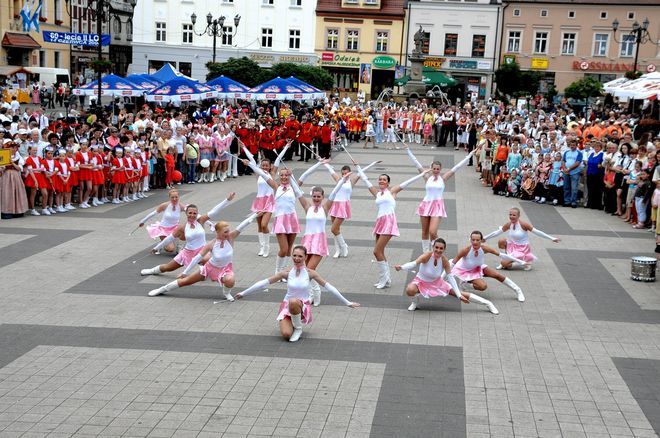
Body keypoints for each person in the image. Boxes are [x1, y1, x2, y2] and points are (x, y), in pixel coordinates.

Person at [236, 245, 360, 342]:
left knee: (294, 301)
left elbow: (329, 287)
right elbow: (264, 283)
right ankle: (293, 324)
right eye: (294, 255)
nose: (296, 258)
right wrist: (243, 293)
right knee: (286, 335)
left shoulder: (310, 273)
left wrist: (347, 302)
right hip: (287, 306)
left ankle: (298, 329)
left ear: (305, 257)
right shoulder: (286, 272)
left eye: (300, 256)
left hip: (302, 306)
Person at [147, 213, 258, 300]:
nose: (228, 233)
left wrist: (255, 215)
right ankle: (162, 289)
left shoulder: (230, 238)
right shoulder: (211, 244)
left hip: (225, 269)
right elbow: (197, 258)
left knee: (230, 280)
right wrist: (185, 272)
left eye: (228, 231)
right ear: (217, 232)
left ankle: (226, 293)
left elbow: (242, 226)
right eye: (225, 232)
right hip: (209, 268)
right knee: (185, 281)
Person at [357, 165, 430, 288]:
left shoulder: (392, 191)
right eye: (380, 179)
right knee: (380, 251)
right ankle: (386, 279)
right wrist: (358, 167)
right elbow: (365, 180)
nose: (381, 181)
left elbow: (407, 183)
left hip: (389, 222)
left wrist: (422, 174)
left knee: (376, 251)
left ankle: (384, 279)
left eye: (384, 179)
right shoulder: (377, 193)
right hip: (380, 222)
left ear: (388, 182)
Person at [140, 193, 235, 276]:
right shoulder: (182, 227)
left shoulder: (201, 221)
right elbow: (169, 238)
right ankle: (152, 271)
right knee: (168, 267)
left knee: (214, 260)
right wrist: (157, 247)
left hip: (202, 250)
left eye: (194, 213)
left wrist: (227, 200)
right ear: (186, 213)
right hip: (187, 253)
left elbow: (214, 211)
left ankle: (222, 275)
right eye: (190, 213)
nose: (192, 215)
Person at [395, 238, 499, 314]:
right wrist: (402, 267)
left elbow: (450, 277)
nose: (438, 250)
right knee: (410, 290)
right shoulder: (427, 256)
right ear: (433, 247)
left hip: (438, 283)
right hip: (421, 281)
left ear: (444, 249)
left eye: (441, 248)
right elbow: (414, 263)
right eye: (436, 247)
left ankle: (488, 303)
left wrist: (458, 295)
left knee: (461, 294)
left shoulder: (444, 260)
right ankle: (415, 302)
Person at [406, 146, 476, 251]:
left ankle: (439, 249)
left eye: (438, 169)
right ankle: (426, 252)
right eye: (434, 168)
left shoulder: (443, 178)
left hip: (437, 206)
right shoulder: (427, 177)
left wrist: (470, 154)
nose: (436, 170)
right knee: (424, 231)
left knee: (432, 232)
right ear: (431, 168)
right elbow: (416, 163)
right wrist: (408, 150)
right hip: (425, 205)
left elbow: (457, 167)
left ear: (440, 169)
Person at [246, 147, 302, 275]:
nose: (283, 177)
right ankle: (278, 271)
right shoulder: (276, 186)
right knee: (284, 249)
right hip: (280, 219)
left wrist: (322, 164)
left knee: (289, 250)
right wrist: (249, 164)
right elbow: (260, 173)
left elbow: (304, 176)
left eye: (286, 175)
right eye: (281, 175)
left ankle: (287, 271)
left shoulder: (294, 188)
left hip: (292, 220)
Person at [242, 141, 290, 258]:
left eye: (266, 166)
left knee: (264, 224)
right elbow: (252, 161)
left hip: (269, 201)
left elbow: (278, 159)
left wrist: (286, 148)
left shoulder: (272, 174)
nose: (264, 167)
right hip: (259, 201)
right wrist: (244, 148)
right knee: (259, 225)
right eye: (262, 165)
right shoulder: (258, 174)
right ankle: (262, 247)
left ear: (270, 166)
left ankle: (267, 247)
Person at [451, 231, 527, 302]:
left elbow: (502, 255)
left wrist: (520, 261)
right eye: (473, 240)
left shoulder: (484, 248)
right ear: (470, 240)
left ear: (481, 240)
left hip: (479, 268)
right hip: (467, 272)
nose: (475, 242)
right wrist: (442, 277)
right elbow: (453, 262)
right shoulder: (465, 250)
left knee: (497, 275)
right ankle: (465, 285)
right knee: (483, 287)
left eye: (477, 240)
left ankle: (518, 290)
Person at [482, 207, 561, 270]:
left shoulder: (524, 224)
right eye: (510, 215)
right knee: (501, 241)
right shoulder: (509, 224)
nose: (511, 217)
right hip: (512, 246)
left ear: (518, 216)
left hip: (522, 249)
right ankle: (507, 258)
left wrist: (551, 238)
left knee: (505, 264)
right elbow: (497, 232)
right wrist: (485, 238)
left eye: (514, 215)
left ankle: (525, 262)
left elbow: (537, 232)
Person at [138, 188, 186, 253]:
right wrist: (142, 221)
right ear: (169, 198)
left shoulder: (181, 206)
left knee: (187, 232)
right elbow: (153, 213)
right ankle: (161, 244)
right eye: (172, 197)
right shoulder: (165, 205)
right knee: (170, 249)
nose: (174, 199)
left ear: (178, 197)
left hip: (175, 228)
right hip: (164, 229)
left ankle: (179, 246)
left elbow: (191, 212)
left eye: (176, 197)